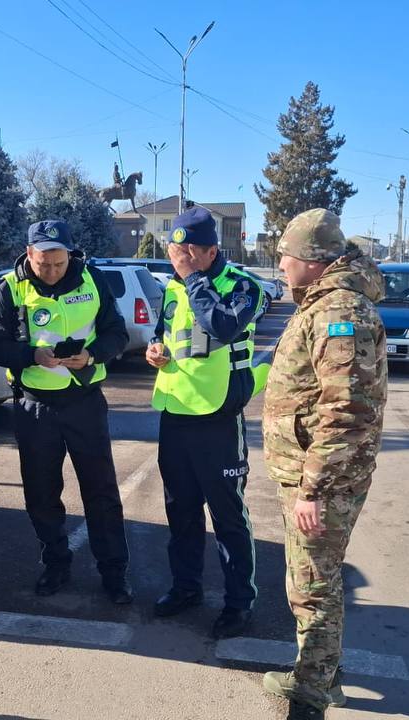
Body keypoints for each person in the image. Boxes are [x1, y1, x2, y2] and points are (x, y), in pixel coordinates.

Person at [257, 209, 388, 717]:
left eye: (286, 254)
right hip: (312, 475)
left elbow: (346, 411)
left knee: (311, 585)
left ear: (312, 259)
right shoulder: (323, 304)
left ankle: (311, 691)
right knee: (315, 578)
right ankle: (321, 668)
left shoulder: (340, 314)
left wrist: (314, 489)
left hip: (323, 482)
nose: (282, 263)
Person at [0, 220, 133, 603]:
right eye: (43, 263)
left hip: (85, 401)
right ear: (29, 254)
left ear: (71, 254)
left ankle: (114, 573)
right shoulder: (9, 288)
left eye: (59, 263)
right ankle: (56, 564)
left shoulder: (92, 279)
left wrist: (93, 355)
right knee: (41, 492)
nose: (51, 271)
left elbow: (117, 332)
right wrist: (31, 355)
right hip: (35, 406)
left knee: (101, 491)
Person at [145, 207, 265, 639]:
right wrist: (155, 351)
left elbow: (221, 325)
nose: (181, 259)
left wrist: (195, 278)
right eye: (177, 251)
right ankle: (186, 588)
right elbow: (168, 336)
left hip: (218, 417)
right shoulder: (175, 289)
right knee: (181, 511)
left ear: (212, 250)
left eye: (189, 252)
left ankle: (238, 602)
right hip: (175, 413)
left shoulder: (243, 288)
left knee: (228, 515)